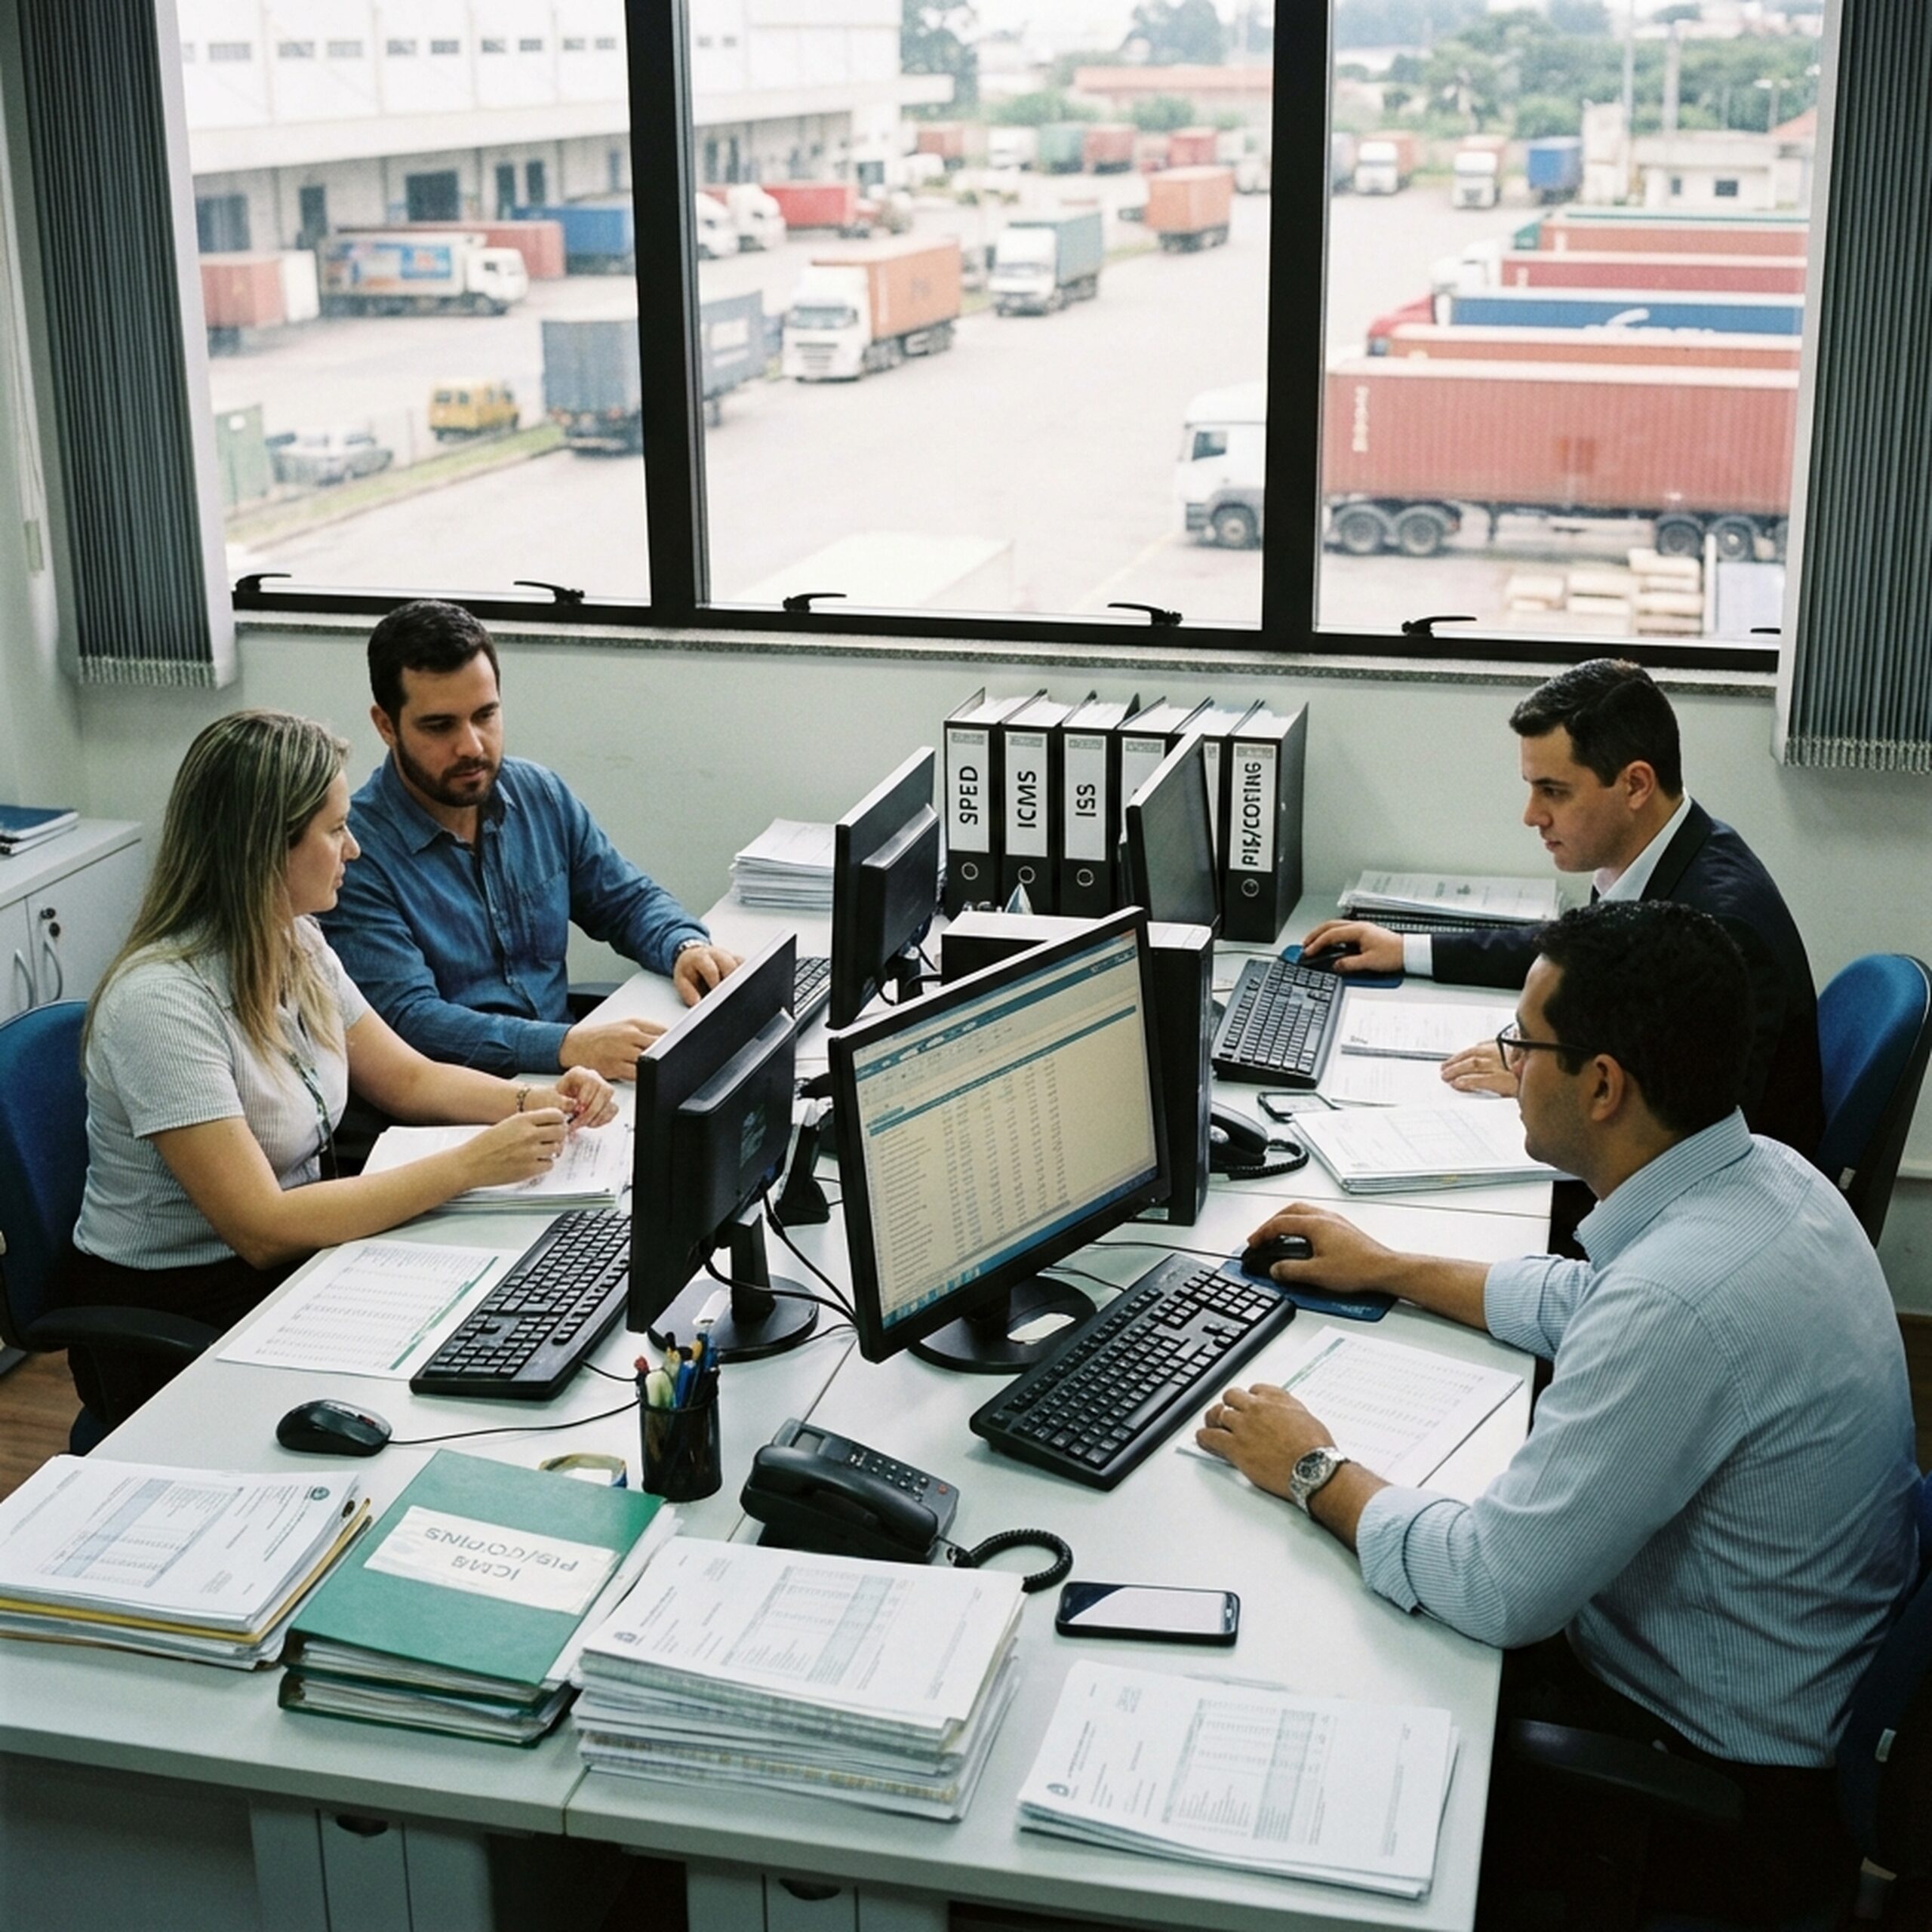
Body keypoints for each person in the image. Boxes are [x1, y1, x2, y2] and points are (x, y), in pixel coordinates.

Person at [1201, 900, 1918, 1923]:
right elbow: (1590, 1302)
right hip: (1777, 1670)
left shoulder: (1678, 1305)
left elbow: (1499, 1585)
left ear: (1605, 1084)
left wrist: (1313, 1468)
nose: (1510, 1064)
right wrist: (1392, 1266)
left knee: (1321, 1665)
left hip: (1714, 1790)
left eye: (1523, 1045)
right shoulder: (1771, 1180)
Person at [67, 710, 617, 1419]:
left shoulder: (296, 941)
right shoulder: (160, 1005)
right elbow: (260, 1228)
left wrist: (537, 1103)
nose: (353, 850)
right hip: (187, 1308)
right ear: (264, 850)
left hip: (303, 1262)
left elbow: (409, 1078)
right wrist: (471, 1166)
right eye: (334, 830)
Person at [1303, 658, 1825, 1159]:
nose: (1532, 816)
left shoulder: (1721, 929)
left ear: (1635, 785)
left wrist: (1545, 1083)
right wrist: (1407, 950)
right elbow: (1570, 959)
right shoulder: (1650, 854)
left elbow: (1696, 1137)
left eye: (1553, 791)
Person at [321, 600, 740, 1081]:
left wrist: (684, 946)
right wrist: (568, 1046)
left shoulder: (537, 793)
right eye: (440, 726)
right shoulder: (355, 853)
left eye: (485, 715)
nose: (472, 746)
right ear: (386, 726)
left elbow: (624, 900)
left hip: (568, 1077)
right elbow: (411, 1022)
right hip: (467, 1101)